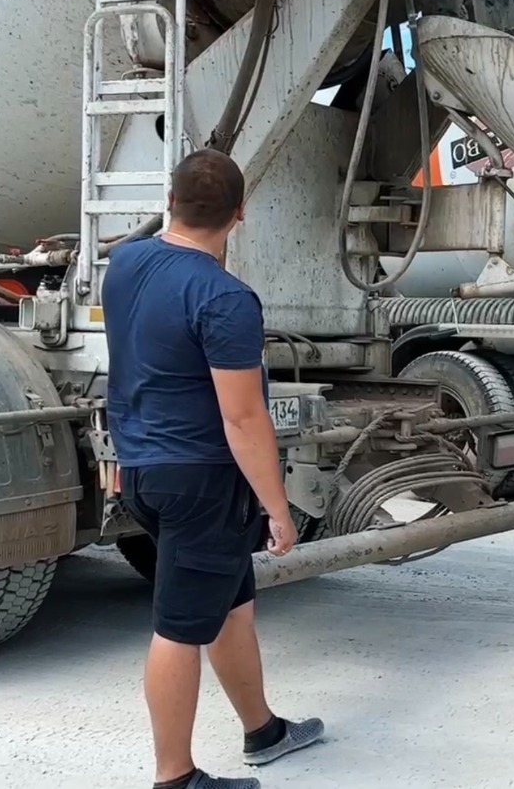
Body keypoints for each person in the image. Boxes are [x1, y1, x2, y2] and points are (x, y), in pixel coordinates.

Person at [103, 148, 325, 789]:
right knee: (178, 628)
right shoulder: (226, 299)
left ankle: (264, 731)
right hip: (201, 477)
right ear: (240, 215)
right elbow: (244, 419)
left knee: (232, 607)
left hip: (142, 467)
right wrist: (279, 508)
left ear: (170, 203)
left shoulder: (125, 264)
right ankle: (174, 778)